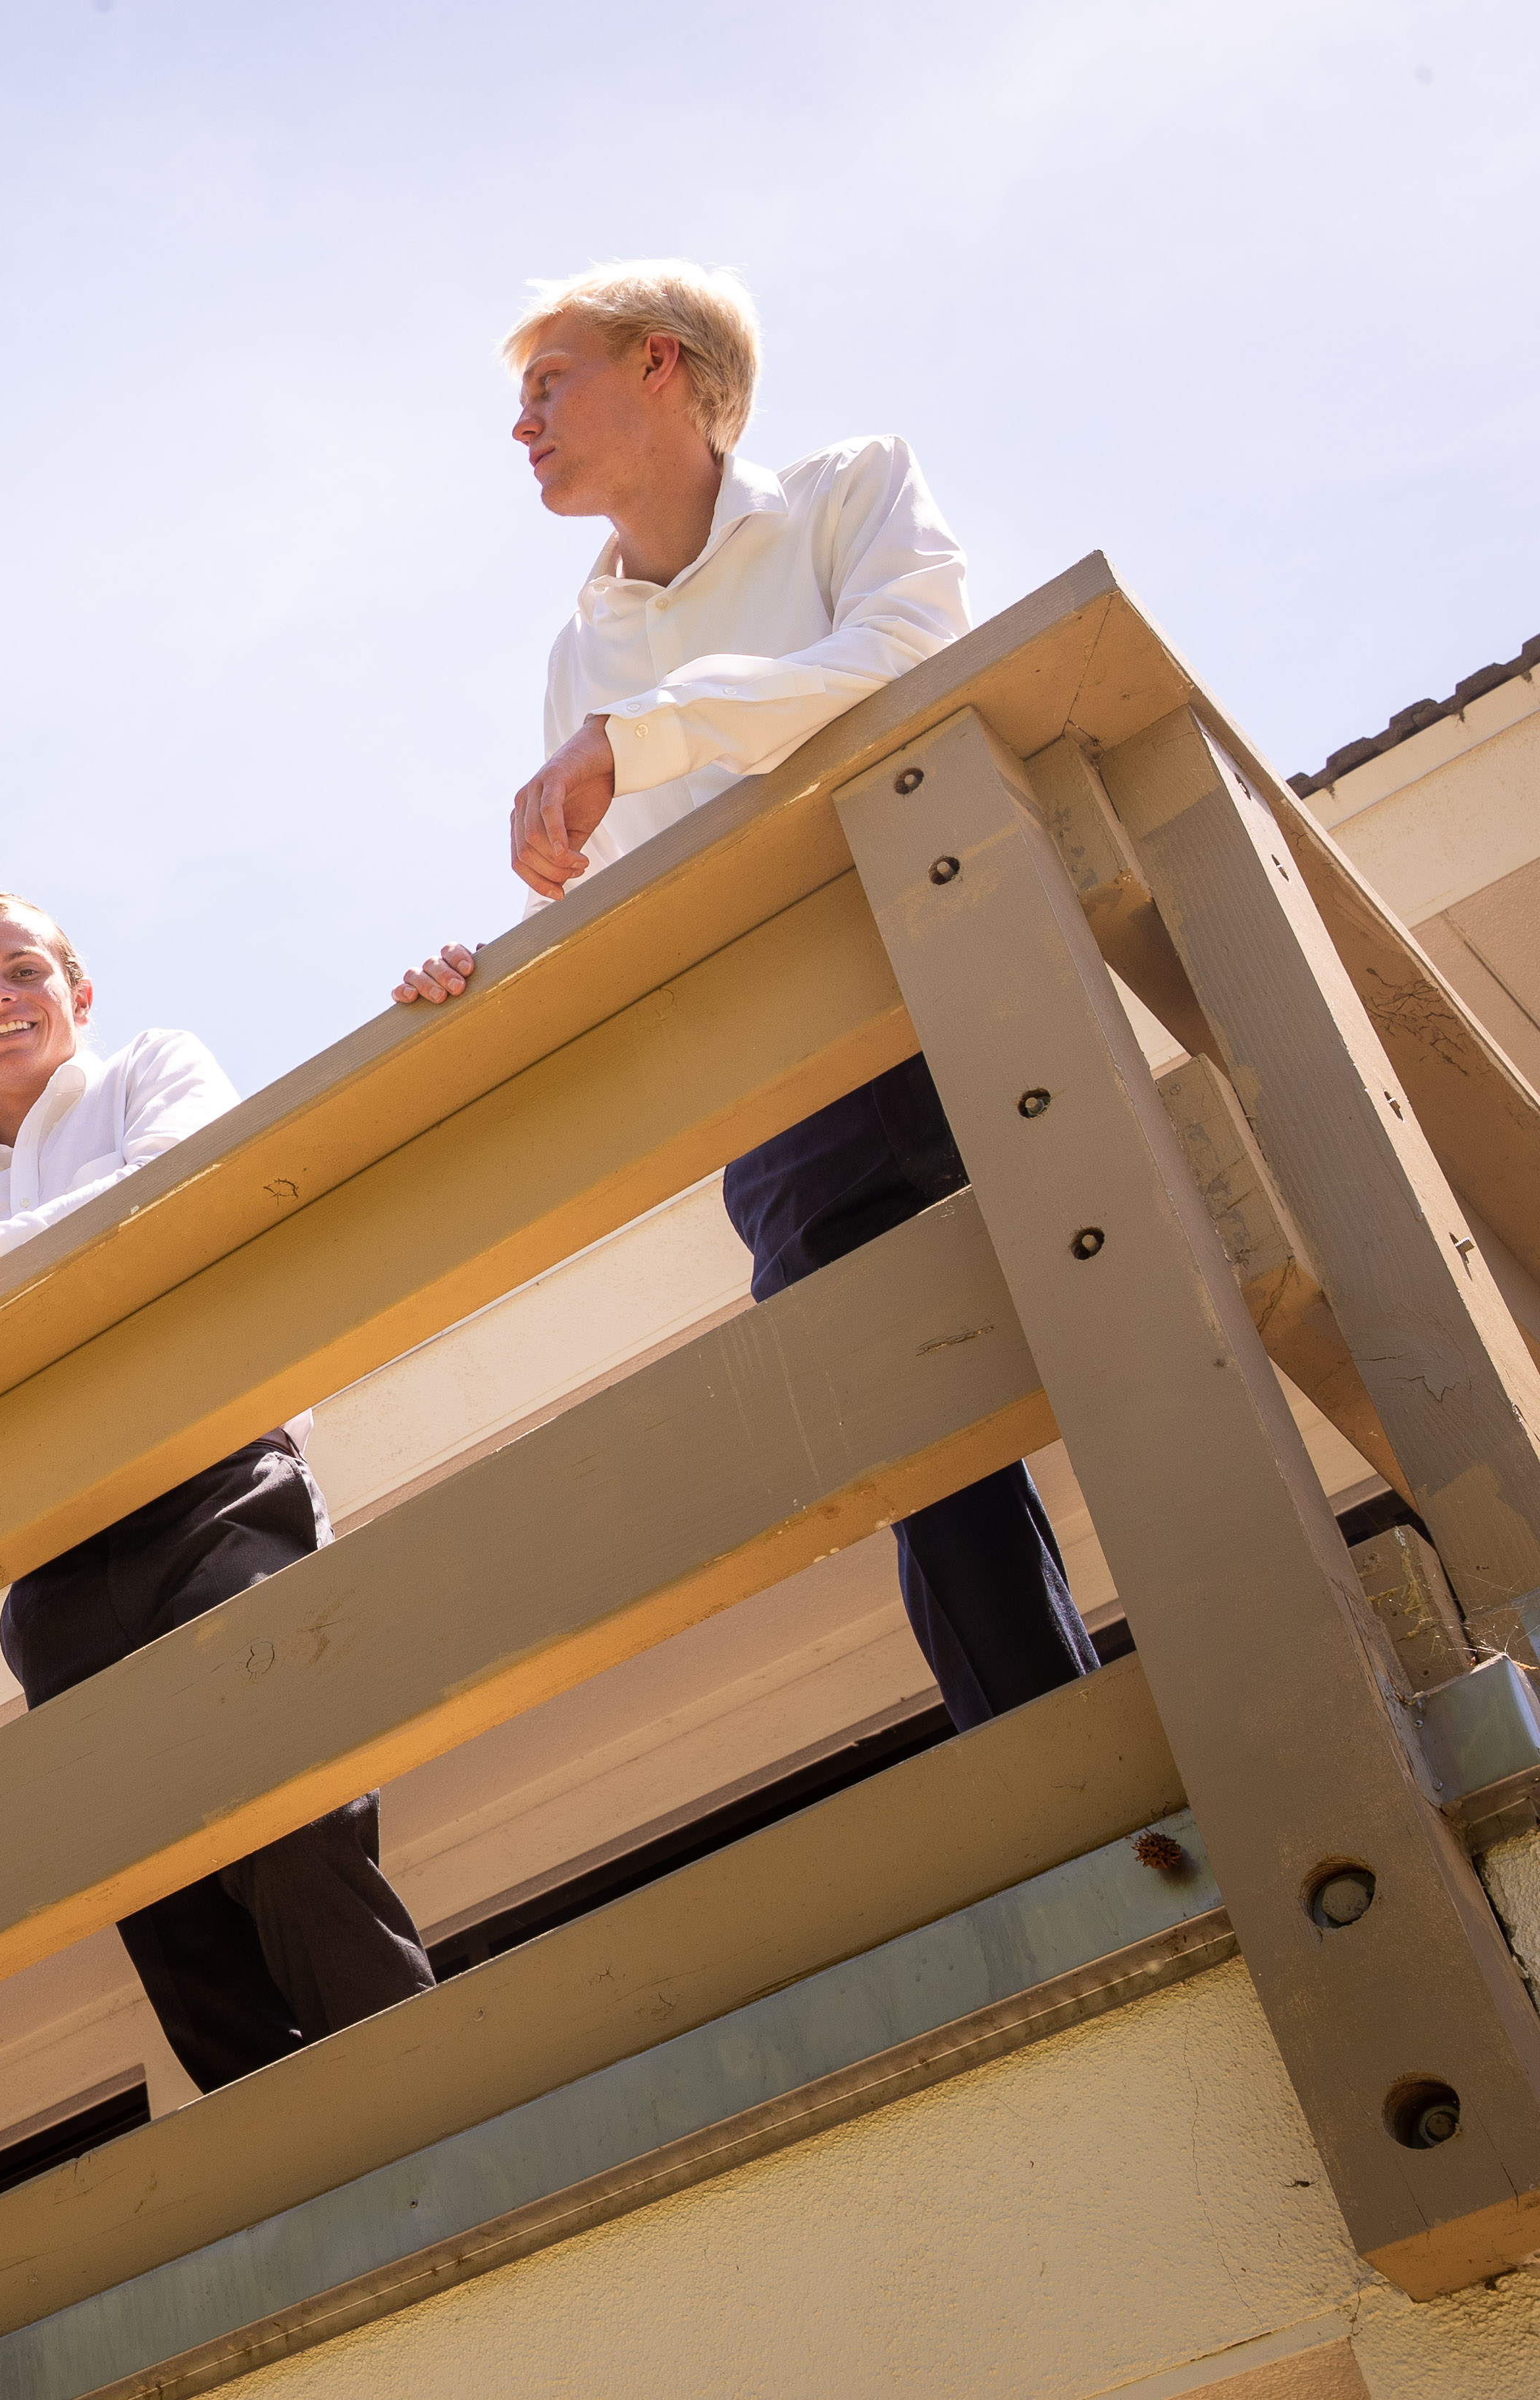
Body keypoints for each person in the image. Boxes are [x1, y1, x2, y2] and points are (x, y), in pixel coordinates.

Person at [390, 258, 1099, 1735]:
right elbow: (601, 906)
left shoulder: (852, 491)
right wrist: (482, 973)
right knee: (918, 1447)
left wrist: (637, 737)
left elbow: (903, 657)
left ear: (662, 367)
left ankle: (1266, 1704)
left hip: (965, 982)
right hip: (780, 1099)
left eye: (547, 384)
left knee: (1128, 1329)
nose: (520, 426)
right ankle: (1067, 1775)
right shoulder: (577, 655)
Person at [0, 895, 436, 2098]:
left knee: (289, 1796)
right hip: (51, 1556)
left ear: (80, 990)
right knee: (149, 1868)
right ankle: (280, 2144)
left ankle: (424, 2087)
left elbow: (169, 1190)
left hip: (211, 1478)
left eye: (23, 971)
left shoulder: (151, 1074)